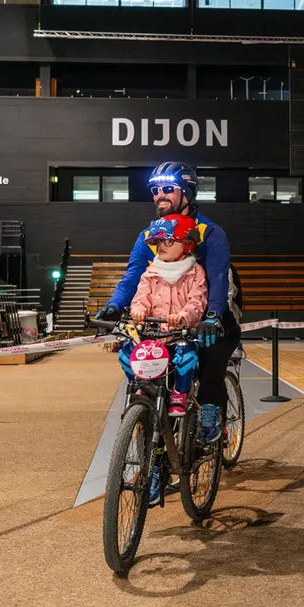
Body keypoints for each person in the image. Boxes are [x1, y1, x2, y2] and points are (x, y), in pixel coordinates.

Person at [99, 162, 242, 452]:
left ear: (187, 192)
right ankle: (156, 450)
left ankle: (212, 416)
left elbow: (216, 279)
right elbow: (133, 276)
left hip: (213, 311)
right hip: (167, 321)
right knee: (152, 371)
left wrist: (213, 316)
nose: (159, 195)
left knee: (210, 360)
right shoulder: (148, 236)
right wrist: (115, 305)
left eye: (167, 189)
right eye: (155, 190)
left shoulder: (209, 232)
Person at [117, 215, 207, 419]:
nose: (160, 247)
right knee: (127, 352)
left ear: (187, 244)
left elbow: (197, 301)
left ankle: (179, 395)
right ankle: (141, 386)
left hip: (180, 335)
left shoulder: (195, 272)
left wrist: (184, 316)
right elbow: (141, 297)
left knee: (187, 355)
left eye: (167, 241)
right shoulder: (150, 272)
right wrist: (138, 310)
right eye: (157, 242)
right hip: (153, 336)